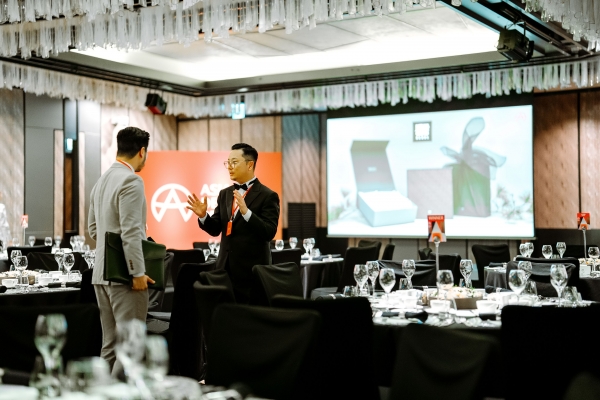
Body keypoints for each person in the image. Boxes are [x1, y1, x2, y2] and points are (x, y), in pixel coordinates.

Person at [88, 126, 155, 374]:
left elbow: (93, 229)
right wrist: (137, 272)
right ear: (142, 151)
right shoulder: (131, 180)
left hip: (101, 274)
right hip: (124, 276)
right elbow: (131, 232)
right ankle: (118, 392)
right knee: (131, 347)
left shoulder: (101, 180)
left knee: (109, 346)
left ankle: (99, 391)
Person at [187, 143, 280, 304]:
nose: (229, 166)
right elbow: (215, 229)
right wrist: (203, 216)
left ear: (250, 165)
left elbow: (269, 232)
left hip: (252, 273)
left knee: (249, 316)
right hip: (224, 271)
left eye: (234, 162)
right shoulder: (225, 194)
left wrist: (247, 213)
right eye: (228, 163)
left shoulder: (268, 195)